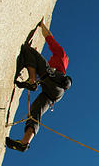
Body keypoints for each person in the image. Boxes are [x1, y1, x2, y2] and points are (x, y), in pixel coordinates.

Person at [5, 19, 72, 152]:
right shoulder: (53, 65)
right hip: (54, 94)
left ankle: (30, 81)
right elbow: (40, 73)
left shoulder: (61, 56)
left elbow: (49, 38)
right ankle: (24, 143)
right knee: (35, 112)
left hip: (56, 83)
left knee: (27, 50)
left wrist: (42, 25)